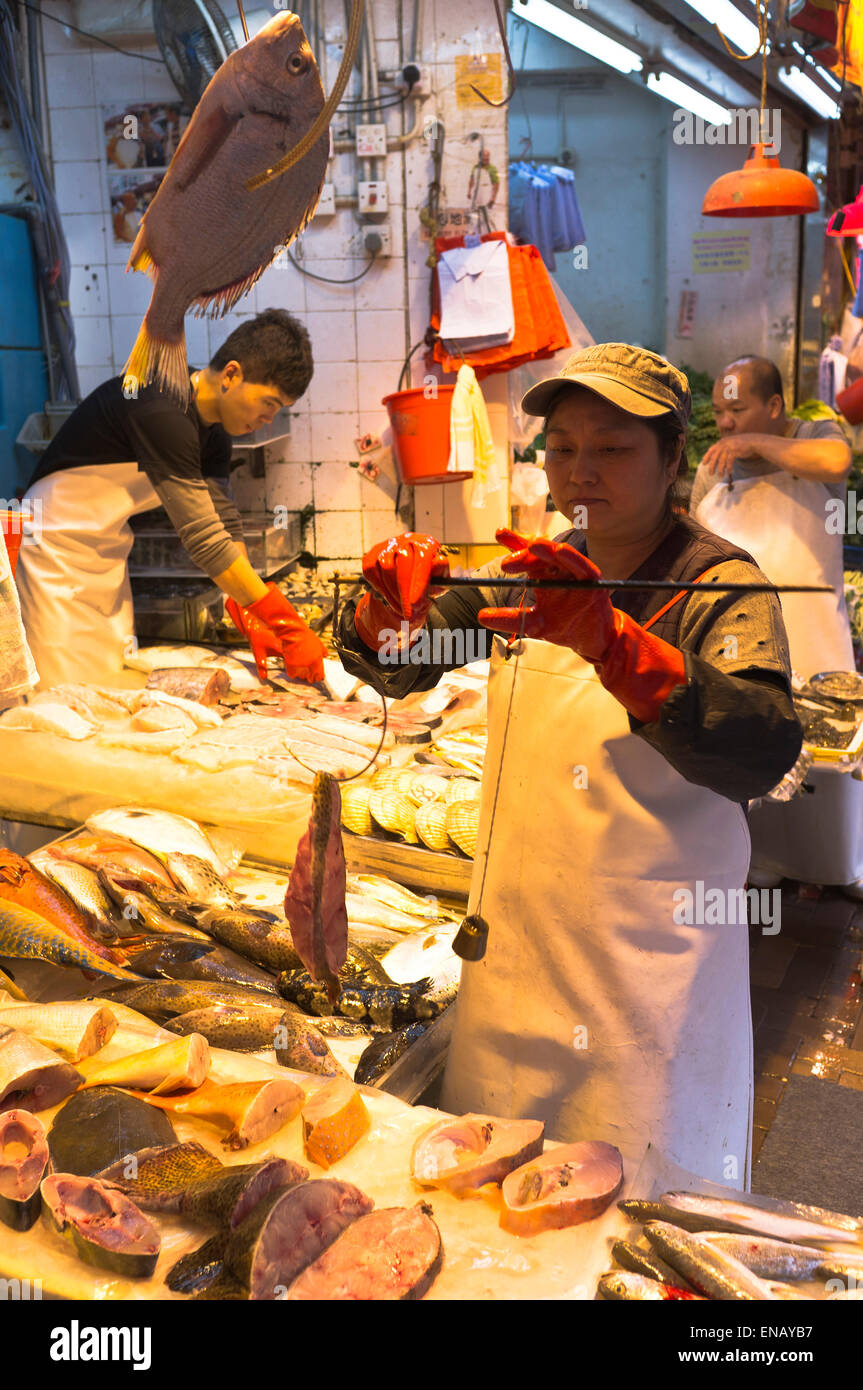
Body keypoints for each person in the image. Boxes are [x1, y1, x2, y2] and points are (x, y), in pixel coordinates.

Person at [337, 344, 802, 1186]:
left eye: (612, 447)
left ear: (671, 461)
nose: (580, 471)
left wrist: (615, 645)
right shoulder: (530, 571)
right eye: (561, 447)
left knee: (634, 1208)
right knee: (503, 1215)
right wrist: (378, 612)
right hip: (515, 962)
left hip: (645, 978)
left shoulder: (717, 585)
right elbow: (404, 660)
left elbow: (761, 749)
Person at [16, 309, 325, 691]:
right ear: (231, 375)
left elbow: (225, 523)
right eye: (270, 403)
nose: (268, 418)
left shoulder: (214, 430)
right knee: (63, 689)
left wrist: (250, 611)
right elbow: (204, 539)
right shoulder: (160, 404)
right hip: (52, 545)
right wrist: (287, 625)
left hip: (105, 552)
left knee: (113, 680)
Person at [690, 354, 854, 679]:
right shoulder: (713, 469)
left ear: (774, 406)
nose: (725, 423)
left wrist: (755, 443)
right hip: (738, 656)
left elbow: (837, 462)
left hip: (820, 648)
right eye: (719, 412)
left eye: (737, 411)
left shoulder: (814, 434)